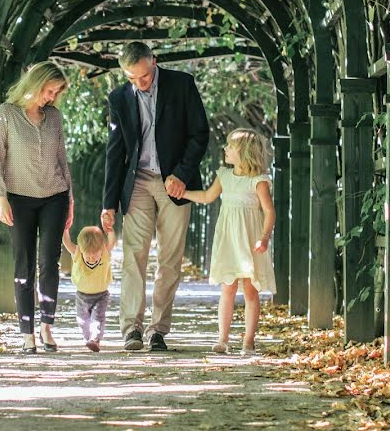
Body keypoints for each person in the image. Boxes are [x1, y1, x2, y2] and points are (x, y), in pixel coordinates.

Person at [101, 41, 209, 351]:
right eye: (131, 78)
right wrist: (108, 203)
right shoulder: (118, 98)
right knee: (134, 256)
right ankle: (131, 329)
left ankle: (158, 330)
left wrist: (182, 174)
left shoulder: (182, 85)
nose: (138, 84)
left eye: (144, 77)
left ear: (154, 63)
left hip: (175, 181)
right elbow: (115, 151)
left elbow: (199, 133)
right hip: (137, 183)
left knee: (170, 259)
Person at [0, 61, 73, 354]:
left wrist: (70, 199)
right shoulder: (5, 115)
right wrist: (0, 198)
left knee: (50, 262)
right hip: (19, 198)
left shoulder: (55, 117)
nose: (51, 97)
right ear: (35, 83)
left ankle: (47, 326)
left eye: (56, 93)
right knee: (23, 264)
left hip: (55, 196)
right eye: (49, 91)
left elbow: (63, 160)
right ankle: (27, 334)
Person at [182, 128, 276, 356]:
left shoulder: (258, 181)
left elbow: (269, 212)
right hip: (228, 240)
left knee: (251, 292)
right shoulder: (224, 176)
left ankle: (248, 341)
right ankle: (222, 339)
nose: (225, 149)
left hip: (250, 241)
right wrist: (182, 193)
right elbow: (206, 197)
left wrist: (264, 238)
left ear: (243, 153)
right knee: (228, 288)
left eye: (230, 147)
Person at [62, 225, 116, 352]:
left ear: (101, 249)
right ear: (81, 249)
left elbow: (111, 242)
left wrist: (110, 231)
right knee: (83, 321)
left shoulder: (105, 253)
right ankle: (89, 339)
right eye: (88, 254)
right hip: (81, 295)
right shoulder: (77, 253)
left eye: (95, 254)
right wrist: (65, 229)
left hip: (101, 295)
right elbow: (67, 243)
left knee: (98, 317)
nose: (91, 258)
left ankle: (95, 339)